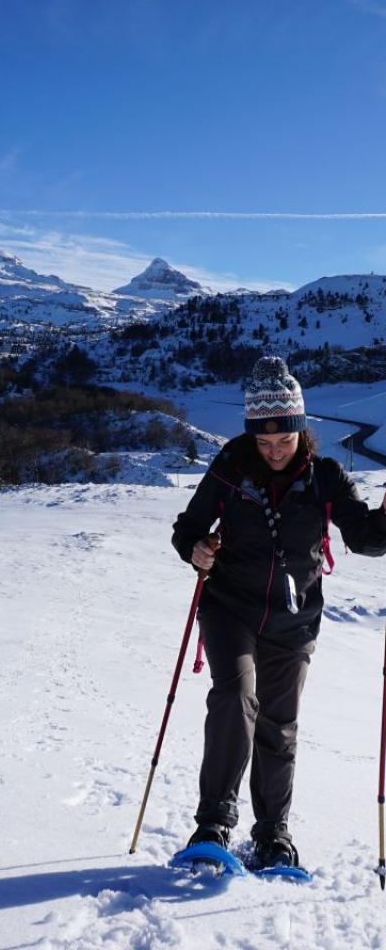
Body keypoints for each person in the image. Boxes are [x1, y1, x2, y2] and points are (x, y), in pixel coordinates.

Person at [172, 356, 386, 868]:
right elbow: (188, 526)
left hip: (294, 619)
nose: (272, 452)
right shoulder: (231, 466)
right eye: (263, 443)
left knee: (279, 723)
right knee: (235, 698)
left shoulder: (325, 476)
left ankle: (272, 833)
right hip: (229, 608)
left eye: (283, 441)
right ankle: (213, 825)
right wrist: (196, 549)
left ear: (300, 428)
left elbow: (365, 538)